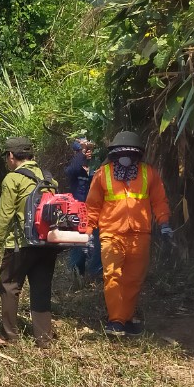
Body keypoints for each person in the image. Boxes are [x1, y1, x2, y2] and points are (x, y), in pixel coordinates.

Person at [85, 130, 172, 337]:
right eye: (121, 153)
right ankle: (115, 321)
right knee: (112, 276)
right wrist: (88, 231)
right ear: (114, 154)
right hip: (111, 233)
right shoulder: (102, 174)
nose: (126, 157)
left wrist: (164, 222)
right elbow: (92, 206)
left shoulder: (148, 173)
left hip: (140, 235)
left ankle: (125, 318)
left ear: (137, 155)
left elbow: (159, 200)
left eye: (130, 153)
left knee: (134, 279)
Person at [0, 136, 60, 349]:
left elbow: (4, 215)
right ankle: (43, 339)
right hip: (47, 243)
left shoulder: (13, 178)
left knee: (10, 286)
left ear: (11, 156)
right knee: (41, 288)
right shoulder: (48, 179)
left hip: (21, 243)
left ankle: (10, 337)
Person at [64, 138, 96, 277]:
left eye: (88, 151)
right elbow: (72, 169)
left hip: (95, 211)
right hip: (79, 212)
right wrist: (81, 153)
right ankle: (77, 273)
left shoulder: (96, 168)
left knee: (96, 242)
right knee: (79, 242)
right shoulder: (74, 170)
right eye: (81, 151)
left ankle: (95, 273)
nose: (86, 153)